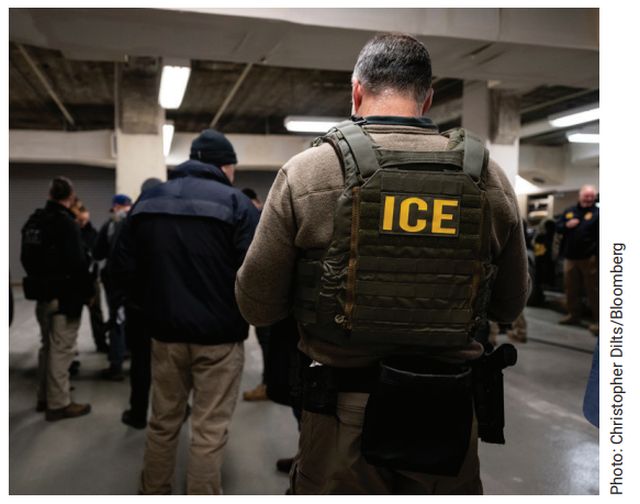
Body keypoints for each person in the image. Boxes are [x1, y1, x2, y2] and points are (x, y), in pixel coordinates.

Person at [235, 33, 528, 494]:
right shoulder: (488, 178)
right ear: (427, 97)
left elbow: (257, 305)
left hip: (341, 413)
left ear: (356, 91)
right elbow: (509, 305)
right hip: (445, 416)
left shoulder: (308, 171)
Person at [116, 129, 259, 494]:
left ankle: (154, 491)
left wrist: (149, 309)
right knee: (209, 429)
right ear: (224, 166)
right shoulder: (237, 204)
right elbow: (257, 272)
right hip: (220, 338)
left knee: (163, 421)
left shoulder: (148, 200)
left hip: (165, 334)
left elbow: (122, 267)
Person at [20, 176, 93, 421]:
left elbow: (25, 259)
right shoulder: (66, 223)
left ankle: (44, 397)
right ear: (70, 196)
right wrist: (88, 293)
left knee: (47, 347)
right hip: (65, 297)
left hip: (42, 296)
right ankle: (59, 404)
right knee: (61, 351)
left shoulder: (34, 222)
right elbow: (78, 264)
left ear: (49, 194)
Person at [113, 177, 163, 430]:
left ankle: (137, 413)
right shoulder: (170, 219)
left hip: (138, 306)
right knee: (169, 362)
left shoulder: (130, 221)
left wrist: (125, 296)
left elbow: (118, 265)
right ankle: (175, 409)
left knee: (140, 362)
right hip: (167, 305)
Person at [94, 194, 133, 380]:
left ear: (116, 206)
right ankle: (133, 357)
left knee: (117, 320)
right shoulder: (139, 222)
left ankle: (116, 364)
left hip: (115, 282)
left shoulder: (110, 225)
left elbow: (98, 252)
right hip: (137, 282)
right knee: (135, 320)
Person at [240, 187, 270, 402]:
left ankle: (268, 384)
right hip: (264, 293)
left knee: (268, 341)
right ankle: (269, 382)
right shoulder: (259, 220)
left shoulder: (264, 221)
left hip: (268, 294)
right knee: (266, 340)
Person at [555, 185, 599, 333]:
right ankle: (573, 315)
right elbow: (558, 226)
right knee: (571, 289)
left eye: (591, 196)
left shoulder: (598, 213)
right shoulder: (570, 211)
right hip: (570, 258)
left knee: (593, 290)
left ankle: (599, 321)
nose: (589, 198)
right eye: (586, 196)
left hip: (589, 258)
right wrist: (566, 225)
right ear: (580, 196)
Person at [71, 201, 108, 353]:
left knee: (96, 313)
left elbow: (98, 252)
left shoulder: (92, 232)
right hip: (75, 280)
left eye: (85, 220)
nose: (83, 223)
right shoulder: (71, 233)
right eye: (81, 220)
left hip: (92, 279)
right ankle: (71, 349)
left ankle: (101, 342)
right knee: (73, 316)